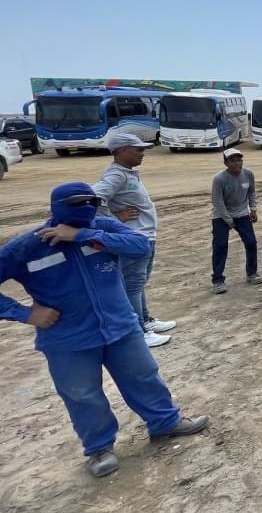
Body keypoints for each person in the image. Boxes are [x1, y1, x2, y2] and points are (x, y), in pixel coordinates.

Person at [0, 183, 209, 478]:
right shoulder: (28, 246)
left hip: (120, 327)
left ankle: (165, 423)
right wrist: (24, 313)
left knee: (143, 376)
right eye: (78, 204)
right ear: (56, 208)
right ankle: (99, 448)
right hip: (68, 338)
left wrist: (82, 235)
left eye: (91, 203)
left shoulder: (102, 228)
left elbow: (141, 247)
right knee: (83, 395)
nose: (86, 209)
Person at [92, 131, 176, 348]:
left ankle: (145, 320)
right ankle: (137, 330)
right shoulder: (116, 175)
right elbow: (93, 199)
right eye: (138, 149)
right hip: (133, 238)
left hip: (144, 236)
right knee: (132, 285)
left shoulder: (127, 173)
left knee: (138, 283)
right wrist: (113, 220)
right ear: (121, 151)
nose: (143, 153)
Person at [210, 148, 262, 294]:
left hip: (241, 213)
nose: (237, 163)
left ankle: (252, 273)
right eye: (232, 160)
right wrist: (228, 219)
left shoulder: (248, 174)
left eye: (239, 160)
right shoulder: (219, 179)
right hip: (221, 215)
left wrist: (253, 209)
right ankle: (218, 280)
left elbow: (252, 192)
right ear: (226, 163)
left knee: (251, 242)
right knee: (220, 246)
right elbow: (217, 202)